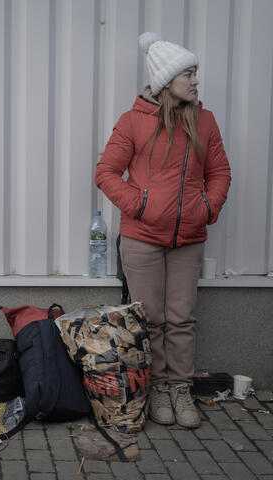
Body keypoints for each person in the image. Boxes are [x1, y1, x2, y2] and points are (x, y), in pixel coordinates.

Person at [95, 32, 231, 428]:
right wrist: (141, 205)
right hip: (142, 239)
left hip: (188, 238)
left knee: (181, 318)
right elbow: (106, 173)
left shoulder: (204, 121)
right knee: (150, 319)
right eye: (188, 74)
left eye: (195, 74)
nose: (195, 81)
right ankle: (156, 389)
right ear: (167, 80)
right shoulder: (133, 121)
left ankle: (180, 390)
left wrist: (207, 207)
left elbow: (220, 172)